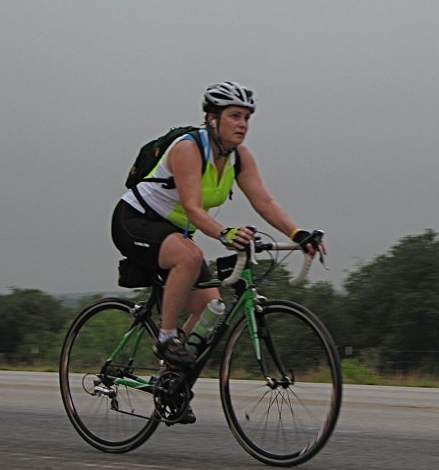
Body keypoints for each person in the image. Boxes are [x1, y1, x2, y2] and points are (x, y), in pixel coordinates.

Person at [111, 82, 322, 404]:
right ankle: (166, 338)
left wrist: (297, 234)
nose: (242, 124)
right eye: (235, 116)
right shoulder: (187, 149)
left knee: (211, 308)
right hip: (136, 221)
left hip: (176, 232)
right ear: (212, 118)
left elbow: (263, 200)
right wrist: (225, 234)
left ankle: (170, 383)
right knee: (190, 257)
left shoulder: (240, 157)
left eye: (247, 118)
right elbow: (194, 208)